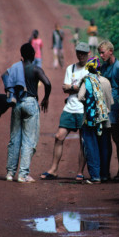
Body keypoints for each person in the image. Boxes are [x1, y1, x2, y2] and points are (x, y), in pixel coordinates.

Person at [40, 42, 90, 182]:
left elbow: (78, 88)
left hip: (83, 108)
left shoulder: (90, 69)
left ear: (88, 54)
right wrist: (78, 86)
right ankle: (54, 169)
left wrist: (72, 87)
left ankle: (80, 172)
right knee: (59, 136)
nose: (81, 55)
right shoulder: (71, 68)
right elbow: (65, 88)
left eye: (83, 53)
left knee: (83, 141)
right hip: (69, 107)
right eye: (79, 52)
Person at [2, 43, 51, 183]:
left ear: (22, 55)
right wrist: (46, 98)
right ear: (34, 55)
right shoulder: (35, 69)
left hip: (17, 103)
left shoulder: (15, 68)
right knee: (29, 140)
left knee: (14, 139)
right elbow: (47, 84)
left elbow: (5, 76)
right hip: (30, 102)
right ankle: (23, 174)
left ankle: (10, 173)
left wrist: (10, 91)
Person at [78, 57, 113, 184]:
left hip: (90, 119)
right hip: (104, 119)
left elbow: (80, 96)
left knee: (91, 147)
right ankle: (104, 174)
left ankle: (95, 176)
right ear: (99, 68)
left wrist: (89, 105)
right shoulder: (106, 82)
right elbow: (110, 102)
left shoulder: (87, 81)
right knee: (104, 147)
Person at [98, 40, 119, 180]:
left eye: (103, 52)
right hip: (105, 107)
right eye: (100, 53)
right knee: (106, 139)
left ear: (111, 51)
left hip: (115, 108)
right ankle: (106, 172)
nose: (101, 55)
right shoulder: (103, 67)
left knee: (117, 138)